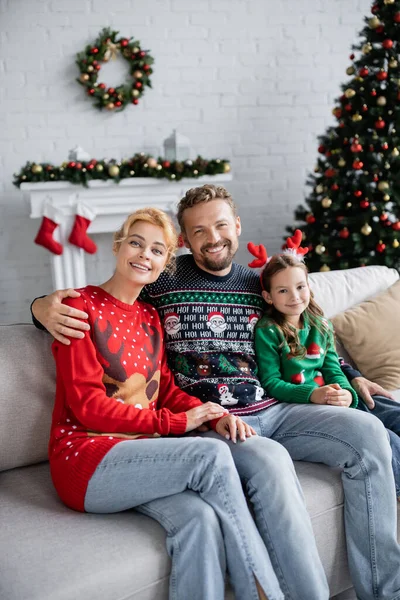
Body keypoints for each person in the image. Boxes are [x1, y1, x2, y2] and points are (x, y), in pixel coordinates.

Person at [31, 186, 400, 600]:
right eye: (199, 230)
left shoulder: (261, 285)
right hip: (215, 423)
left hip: (275, 406)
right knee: (269, 461)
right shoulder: (160, 280)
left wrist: (350, 375)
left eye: (221, 225)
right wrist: (40, 306)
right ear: (185, 242)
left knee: (369, 434)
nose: (213, 237)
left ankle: (385, 592)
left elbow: (306, 332)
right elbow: (109, 300)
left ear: (237, 227)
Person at [45, 206, 292, 600]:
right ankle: (264, 592)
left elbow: (166, 391)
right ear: (117, 246)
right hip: (86, 456)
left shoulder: (149, 315)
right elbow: (88, 408)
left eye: (157, 250)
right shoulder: (80, 308)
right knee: (211, 457)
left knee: (200, 519)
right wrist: (178, 424)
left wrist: (213, 415)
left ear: (165, 263)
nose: (145, 255)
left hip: (140, 453)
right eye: (137, 243)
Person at [250, 237, 400, 499]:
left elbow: (333, 370)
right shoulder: (268, 331)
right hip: (308, 405)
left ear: (309, 286)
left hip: (338, 397)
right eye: (283, 291)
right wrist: (313, 395)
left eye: (300, 287)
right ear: (268, 297)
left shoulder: (320, 324)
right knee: (389, 439)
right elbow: (271, 382)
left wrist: (347, 394)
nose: (295, 297)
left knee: (391, 410)